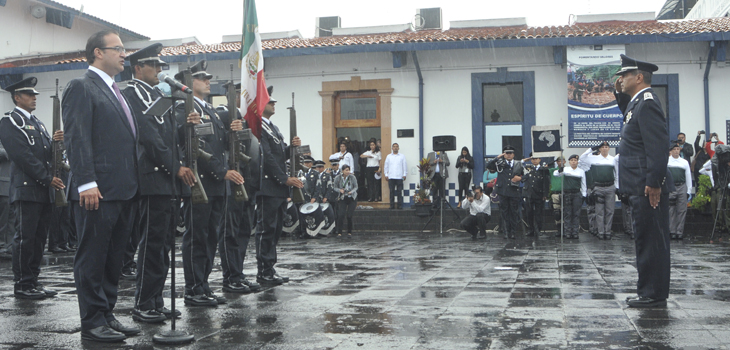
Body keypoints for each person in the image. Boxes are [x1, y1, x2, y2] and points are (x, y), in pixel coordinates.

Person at [62, 30, 140, 341]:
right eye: (118, 48)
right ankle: (92, 321)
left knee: (113, 257)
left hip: (122, 189)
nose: (124, 54)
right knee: (92, 257)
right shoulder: (82, 87)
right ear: (97, 52)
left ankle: (107, 313)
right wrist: (87, 183)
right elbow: (77, 138)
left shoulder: (116, 90)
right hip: (97, 190)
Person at [122, 44, 194, 322]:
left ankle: (155, 299)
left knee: (163, 244)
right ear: (138, 67)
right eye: (154, 66)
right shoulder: (132, 93)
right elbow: (148, 135)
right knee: (152, 243)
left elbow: (166, 135)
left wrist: (184, 125)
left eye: (161, 66)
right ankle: (142, 302)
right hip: (151, 176)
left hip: (164, 178)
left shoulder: (154, 94)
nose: (160, 71)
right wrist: (175, 167)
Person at [175, 60, 244, 307]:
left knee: (211, 237)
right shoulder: (184, 108)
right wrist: (221, 172)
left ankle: (203, 285)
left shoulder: (211, 111)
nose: (207, 81)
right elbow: (193, 148)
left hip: (215, 185)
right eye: (202, 78)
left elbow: (218, 144)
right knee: (197, 237)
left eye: (207, 77)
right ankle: (193, 288)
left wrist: (232, 131)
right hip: (200, 182)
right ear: (188, 82)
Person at [614, 54, 672, 308]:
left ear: (639, 77)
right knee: (645, 239)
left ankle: (653, 293)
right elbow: (630, 120)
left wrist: (654, 181)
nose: (621, 78)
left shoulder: (647, 103)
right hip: (640, 184)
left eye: (625, 75)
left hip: (647, 186)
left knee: (651, 242)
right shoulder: (636, 103)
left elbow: (658, 145)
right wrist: (619, 94)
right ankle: (649, 290)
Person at [0, 76, 64, 300]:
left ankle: (33, 281)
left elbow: (45, 155)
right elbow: (22, 156)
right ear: (17, 97)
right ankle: (22, 284)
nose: (34, 98)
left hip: (42, 189)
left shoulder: (38, 123)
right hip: (27, 188)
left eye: (34, 95)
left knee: (38, 238)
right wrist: (47, 179)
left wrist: (56, 143)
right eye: (29, 95)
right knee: (25, 238)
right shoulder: (10, 121)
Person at [217, 83, 263, 295]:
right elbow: (218, 144)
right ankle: (231, 276)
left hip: (248, 183)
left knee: (244, 232)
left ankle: (239, 273)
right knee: (230, 233)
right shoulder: (224, 116)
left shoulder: (246, 121)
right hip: (233, 182)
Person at [255, 86, 303, 285]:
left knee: (275, 230)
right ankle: (263, 270)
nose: (274, 104)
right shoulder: (258, 126)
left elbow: (279, 155)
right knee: (266, 229)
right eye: (270, 101)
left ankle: (270, 267)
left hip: (278, 189)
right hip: (268, 186)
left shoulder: (272, 127)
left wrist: (291, 148)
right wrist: (284, 179)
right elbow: (266, 158)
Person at [579, 141, 618, 240]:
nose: (604, 148)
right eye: (602, 147)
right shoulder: (593, 159)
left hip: (610, 187)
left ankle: (607, 231)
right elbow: (582, 158)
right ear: (599, 149)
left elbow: (617, 174)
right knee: (599, 211)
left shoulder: (613, 160)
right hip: (598, 187)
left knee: (610, 211)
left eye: (606, 147)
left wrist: (617, 187)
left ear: (609, 148)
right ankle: (601, 232)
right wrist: (591, 149)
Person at [486, 145, 523, 239]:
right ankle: (506, 232)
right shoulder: (499, 163)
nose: (509, 155)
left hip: (514, 191)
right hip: (503, 191)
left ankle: (513, 232)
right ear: (504, 154)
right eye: (507, 153)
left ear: (514, 154)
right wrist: (497, 158)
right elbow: (488, 166)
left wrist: (520, 178)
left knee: (514, 213)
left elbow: (525, 175)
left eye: (510, 153)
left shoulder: (518, 164)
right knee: (504, 212)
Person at [552, 155, 586, 239]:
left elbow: (583, 183)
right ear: (569, 162)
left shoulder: (581, 171)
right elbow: (555, 174)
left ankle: (575, 232)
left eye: (575, 160)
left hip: (576, 194)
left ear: (577, 162)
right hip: (567, 194)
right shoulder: (566, 169)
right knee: (567, 213)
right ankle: (567, 232)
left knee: (576, 213)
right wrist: (559, 170)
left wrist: (584, 195)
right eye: (572, 160)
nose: (574, 161)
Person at [667, 143, 692, 240]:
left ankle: (679, 231)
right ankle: (672, 230)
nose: (676, 151)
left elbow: (688, 176)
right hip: (671, 186)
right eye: (674, 149)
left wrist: (689, 190)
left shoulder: (684, 162)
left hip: (681, 186)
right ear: (671, 151)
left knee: (682, 209)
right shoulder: (667, 161)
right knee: (671, 209)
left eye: (678, 149)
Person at [521, 153, 550, 237]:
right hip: (529, 194)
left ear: (540, 159)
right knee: (529, 213)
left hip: (539, 194)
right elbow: (523, 178)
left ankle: (538, 230)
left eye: (536, 158)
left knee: (538, 213)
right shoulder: (528, 168)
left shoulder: (543, 169)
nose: (534, 160)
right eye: (533, 159)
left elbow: (546, 182)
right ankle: (530, 230)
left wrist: (545, 194)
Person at [0, 140, 16, 260]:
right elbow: (4, 154)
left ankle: (10, 244)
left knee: (11, 218)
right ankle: (2, 244)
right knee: (3, 219)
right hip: (3, 186)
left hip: (11, 186)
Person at [333, 164, 358, 237]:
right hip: (343, 197)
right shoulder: (338, 178)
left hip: (351, 197)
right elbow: (334, 187)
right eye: (346, 170)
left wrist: (351, 192)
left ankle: (349, 231)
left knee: (349, 215)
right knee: (341, 215)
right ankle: (339, 231)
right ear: (342, 171)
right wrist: (340, 190)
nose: (348, 172)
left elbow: (356, 187)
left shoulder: (352, 177)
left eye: (348, 170)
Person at [615, 154, 635, 239]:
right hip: (627, 189)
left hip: (635, 188)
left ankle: (632, 229)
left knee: (632, 211)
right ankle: (630, 229)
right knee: (628, 211)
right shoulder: (622, 166)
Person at [383, 143, 407, 209]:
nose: (395, 148)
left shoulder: (402, 156)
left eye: (397, 147)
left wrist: (404, 174)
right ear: (392, 148)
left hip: (399, 177)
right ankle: (392, 205)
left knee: (399, 192)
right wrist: (386, 174)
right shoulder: (389, 156)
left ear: (398, 148)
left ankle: (399, 205)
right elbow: (386, 166)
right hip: (391, 177)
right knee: (391, 192)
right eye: (394, 147)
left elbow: (404, 166)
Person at [548, 157, 565, 237]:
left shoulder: (568, 170)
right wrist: (550, 162)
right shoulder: (553, 171)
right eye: (558, 161)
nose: (560, 162)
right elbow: (544, 169)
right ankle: (559, 230)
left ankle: (565, 230)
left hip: (565, 193)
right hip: (555, 194)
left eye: (562, 161)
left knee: (565, 212)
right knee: (557, 213)